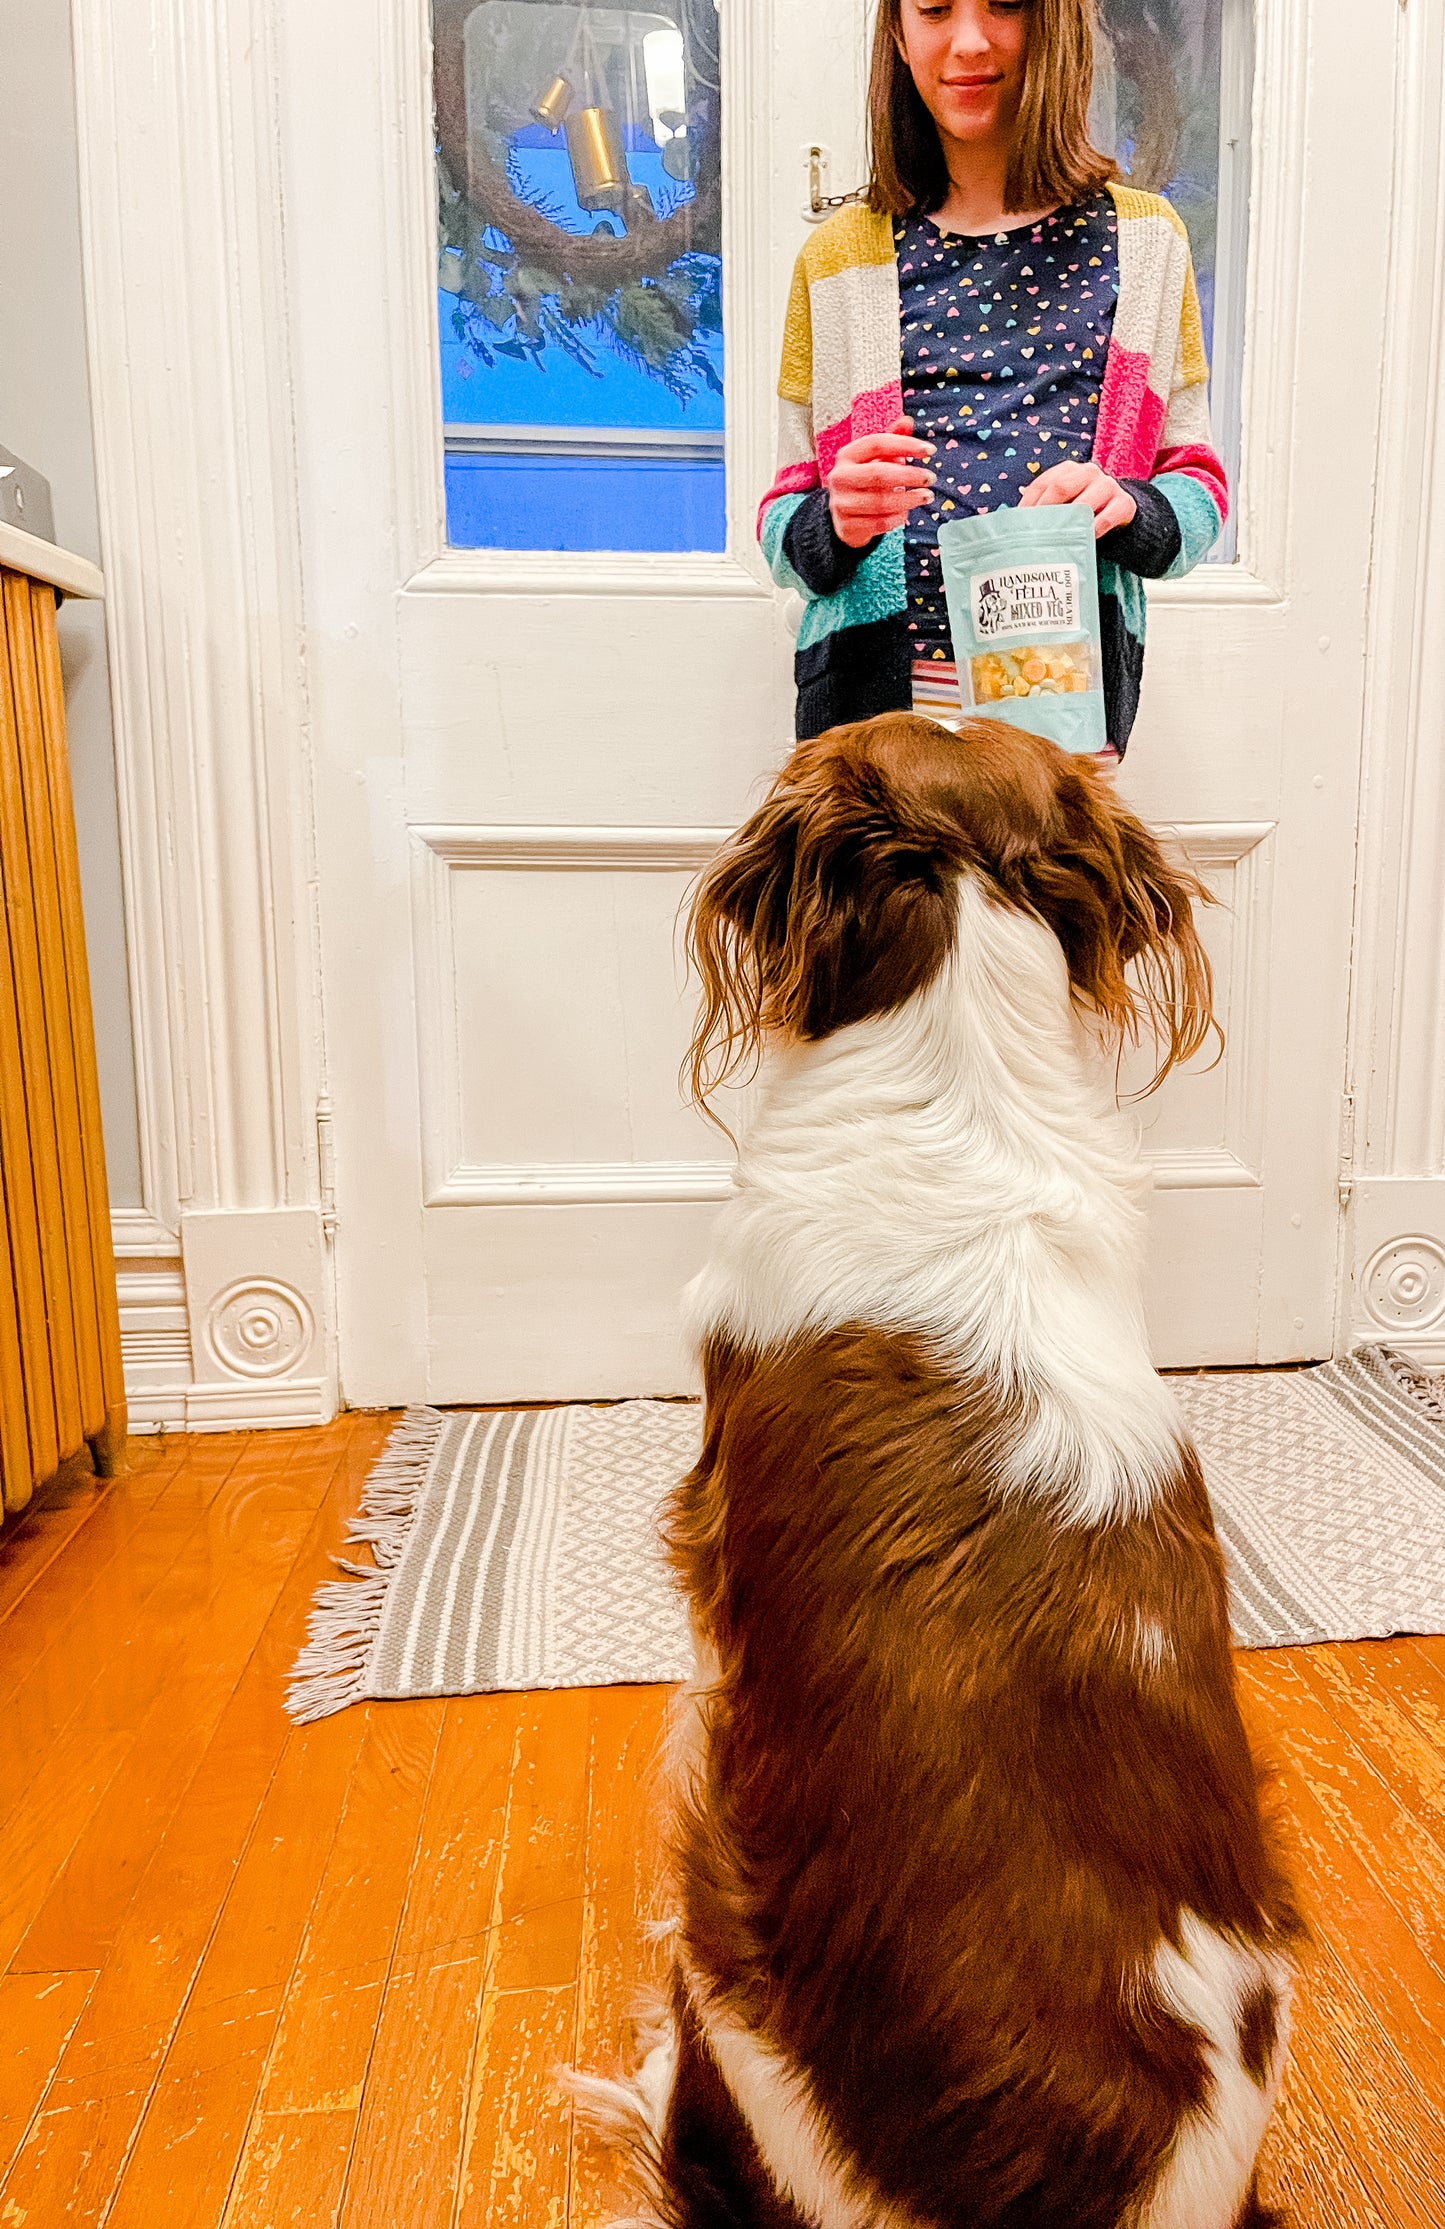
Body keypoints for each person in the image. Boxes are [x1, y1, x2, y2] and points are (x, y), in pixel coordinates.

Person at [758, 0, 1227, 762]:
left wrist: (1127, 507)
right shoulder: (837, 260)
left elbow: (1198, 492)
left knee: (1045, 886)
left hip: (1059, 720)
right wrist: (835, 519)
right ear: (898, 35)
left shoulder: (1145, 244)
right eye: (935, 9)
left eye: (1005, 5)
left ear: (1056, 23)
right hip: (869, 733)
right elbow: (779, 530)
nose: (969, 42)